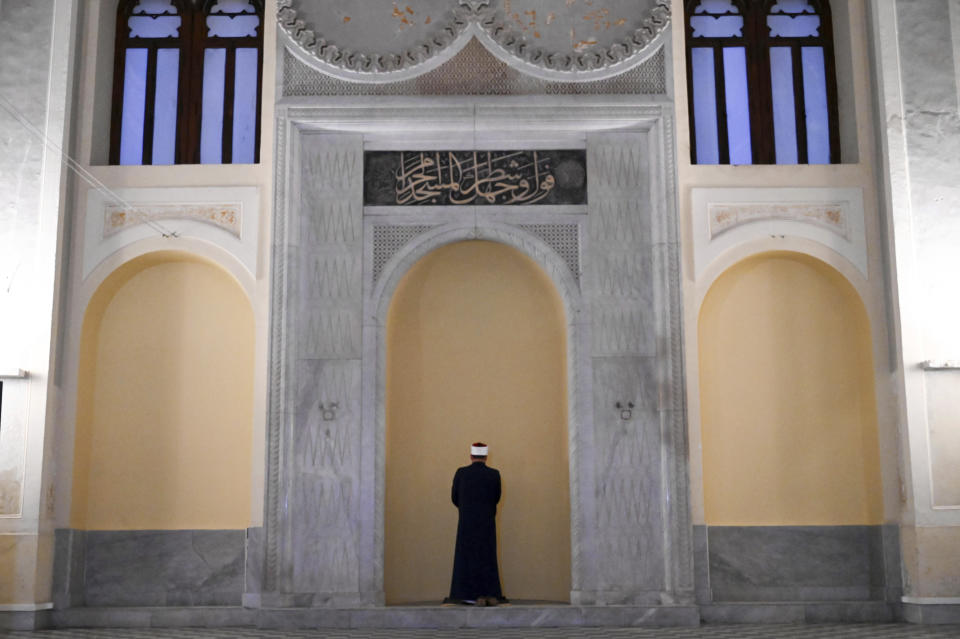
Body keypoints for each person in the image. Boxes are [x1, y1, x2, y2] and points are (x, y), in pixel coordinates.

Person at [443, 442, 509, 607]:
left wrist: (467, 510)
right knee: (487, 557)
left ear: (471, 456)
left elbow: (454, 497)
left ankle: (466, 594)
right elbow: (496, 497)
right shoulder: (494, 474)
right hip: (487, 523)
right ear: (486, 457)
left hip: (466, 523)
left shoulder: (461, 473)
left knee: (466, 557)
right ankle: (489, 593)